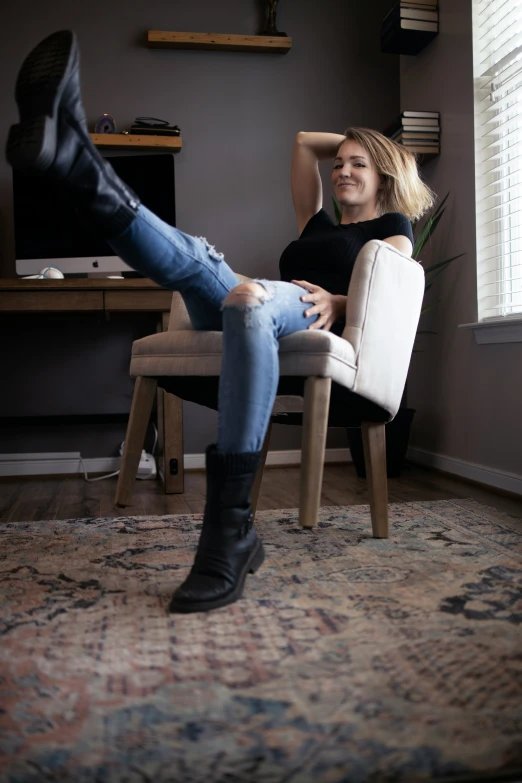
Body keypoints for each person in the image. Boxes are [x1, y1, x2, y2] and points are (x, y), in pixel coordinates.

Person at [6, 30, 436, 615]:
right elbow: (306, 144)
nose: (341, 171)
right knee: (204, 264)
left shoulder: (392, 230)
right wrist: (356, 144)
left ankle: (227, 532)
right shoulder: (314, 220)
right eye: (339, 165)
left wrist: (338, 301)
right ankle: (84, 172)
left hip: (307, 311)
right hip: (268, 307)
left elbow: (391, 290)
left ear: (383, 173)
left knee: (247, 296)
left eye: (358, 164)